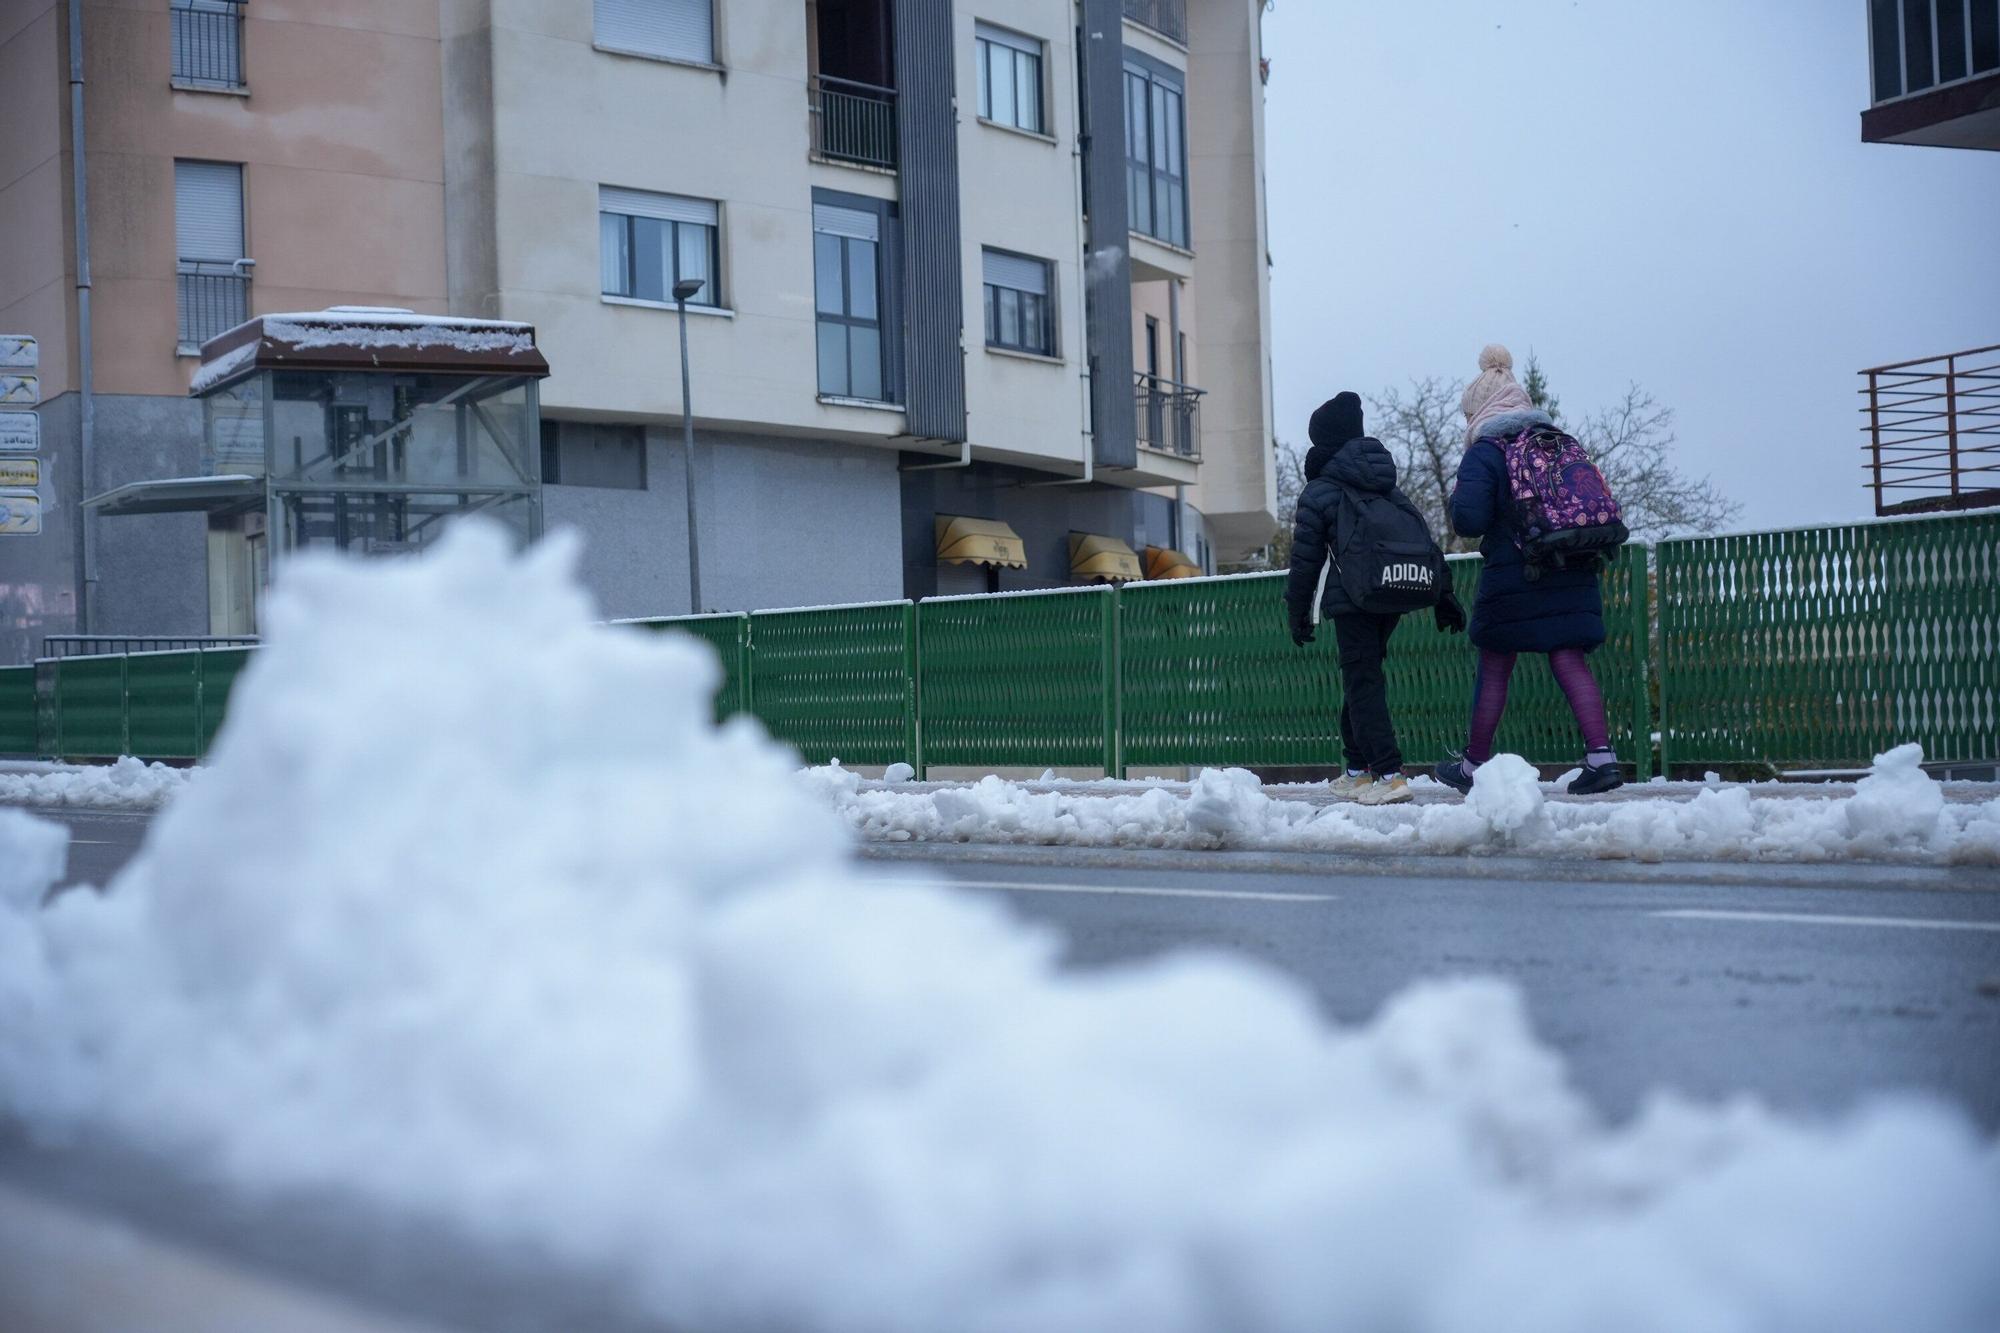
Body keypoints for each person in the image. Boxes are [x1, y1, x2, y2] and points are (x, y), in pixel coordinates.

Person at [1433, 346, 1625, 796]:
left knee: (1496, 662)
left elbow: (1470, 522)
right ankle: (1602, 757)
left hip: (1517, 573)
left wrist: (1458, 500)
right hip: (1572, 562)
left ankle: (1473, 764)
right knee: (1568, 655)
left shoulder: (1486, 451)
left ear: (1479, 408)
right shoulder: (1557, 441)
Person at [1286, 392, 1467, 806]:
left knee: (1363, 682)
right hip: (1391, 593)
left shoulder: (1321, 490)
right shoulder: (1385, 484)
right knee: (1361, 680)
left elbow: (1305, 561)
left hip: (1353, 599)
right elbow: (1422, 538)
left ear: (1324, 442)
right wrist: (1445, 595)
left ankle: (1388, 772)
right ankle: (1357, 770)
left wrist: (1297, 612)